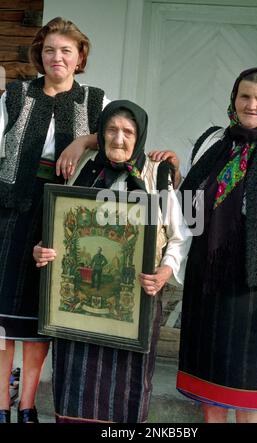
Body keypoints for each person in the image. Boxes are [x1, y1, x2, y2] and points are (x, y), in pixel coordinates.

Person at [150, 67, 257, 423]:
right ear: (233, 99)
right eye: (244, 96)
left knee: (249, 393)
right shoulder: (211, 140)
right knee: (210, 388)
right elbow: (189, 206)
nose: (251, 105)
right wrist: (171, 173)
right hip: (209, 281)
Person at [33, 100, 191, 423]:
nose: (119, 138)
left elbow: (181, 234)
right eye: (112, 130)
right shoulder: (81, 166)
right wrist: (43, 249)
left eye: (128, 132)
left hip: (136, 306)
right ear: (101, 134)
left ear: (140, 136)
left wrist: (164, 271)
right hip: (75, 311)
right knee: (75, 387)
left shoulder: (157, 174)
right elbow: (58, 223)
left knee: (125, 390)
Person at [0, 17, 109, 423]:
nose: (56, 57)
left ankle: (27, 404)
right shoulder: (16, 94)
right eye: (49, 50)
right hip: (11, 211)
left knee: (40, 311)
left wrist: (83, 139)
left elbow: (121, 132)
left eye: (66, 50)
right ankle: (1, 404)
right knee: (3, 313)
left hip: (64, 217)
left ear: (80, 57)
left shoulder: (95, 100)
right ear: (39, 55)